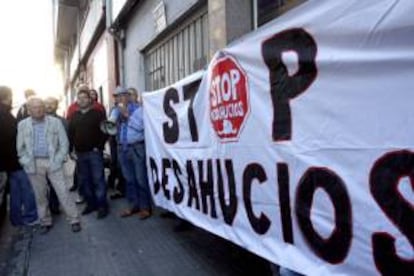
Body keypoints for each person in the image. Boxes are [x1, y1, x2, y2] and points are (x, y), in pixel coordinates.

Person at [17, 96, 81, 234]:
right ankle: (45, 221)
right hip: (33, 163)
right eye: (35, 107)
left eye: (41, 106)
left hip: (53, 161)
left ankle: (74, 219)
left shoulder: (55, 122)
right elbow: (20, 148)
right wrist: (25, 161)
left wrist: (58, 159)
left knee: (62, 191)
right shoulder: (22, 125)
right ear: (29, 110)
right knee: (40, 195)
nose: (39, 109)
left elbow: (64, 143)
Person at [110, 86, 152, 219]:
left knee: (140, 179)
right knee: (129, 179)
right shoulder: (115, 111)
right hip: (122, 148)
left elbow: (142, 128)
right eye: (116, 97)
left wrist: (127, 117)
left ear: (127, 96)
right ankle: (133, 205)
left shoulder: (139, 110)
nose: (119, 99)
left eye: (121, 96)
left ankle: (145, 207)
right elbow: (111, 128)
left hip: (136, 148)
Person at [0, 86, 38, 226]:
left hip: (7, 163)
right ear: (7, 97)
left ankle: (16, 219)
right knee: (27, 189)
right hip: (15, 160)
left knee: (15, 191)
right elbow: (12, 139)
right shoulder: (5, 115)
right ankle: (31, 217)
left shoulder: (6, 114)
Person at [68, 88, 108, 219]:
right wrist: (71, 150)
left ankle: (102, 205)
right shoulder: (74, 115)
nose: (82, 100)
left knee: (98, 179)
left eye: (84, 98)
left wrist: (99, 147)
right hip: (80, 154)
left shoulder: (98, 113)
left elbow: (105, 131)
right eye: (79, 98)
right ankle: (91, 204)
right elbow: (71, 134)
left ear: (89, 99)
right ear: (77, 101)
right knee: (85, 181)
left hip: (94, 153)